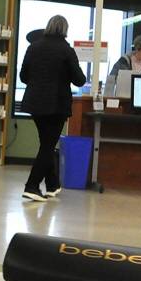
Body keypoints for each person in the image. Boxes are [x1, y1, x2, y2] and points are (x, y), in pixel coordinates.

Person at [18, 15, 86, 202]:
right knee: (48, 146)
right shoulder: (66, 50)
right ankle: (31, 186)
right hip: (57, 104)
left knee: (46, 144)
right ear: (65, 29)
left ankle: (52, 185)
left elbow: (23, 76)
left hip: (35, 103)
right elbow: (79, 80)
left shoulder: (33, 47)